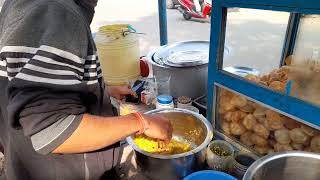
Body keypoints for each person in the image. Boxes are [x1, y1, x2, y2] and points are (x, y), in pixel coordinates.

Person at [0, 0, 173, 179]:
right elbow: (52, 128)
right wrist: (142, 122)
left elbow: (25, 79)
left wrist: (98, 89)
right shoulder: (56, 12)